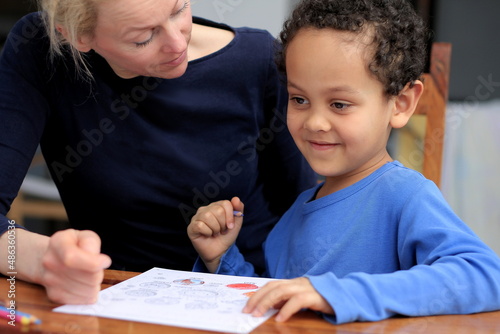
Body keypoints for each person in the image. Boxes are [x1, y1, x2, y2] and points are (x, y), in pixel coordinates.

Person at [187, 0, 500, 325]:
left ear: (401, 104)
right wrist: (221, 257)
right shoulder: (294, 215)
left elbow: (486, 275)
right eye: (299, 99)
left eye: (339, 104)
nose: (315, 122)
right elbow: (276, 303)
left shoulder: (404, 195)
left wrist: (337, 294)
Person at [0, 0, 317, 304]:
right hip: (112, 302)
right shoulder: (41, 50)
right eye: (143, 38)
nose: (178, 44)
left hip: (245, 296)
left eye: (179, 9)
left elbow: (306, 214)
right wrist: (42, 259)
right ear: (78, 37)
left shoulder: (258, 62)